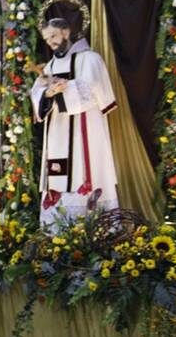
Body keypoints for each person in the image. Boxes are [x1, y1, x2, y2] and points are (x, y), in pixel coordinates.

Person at [30, 18, 119, 226]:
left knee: (84, 170)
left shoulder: (90, 59)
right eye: (46, 38)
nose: (50, 42)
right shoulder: (50, 65)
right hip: (57, 132)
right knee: (56, 174)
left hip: (84, 128)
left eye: (53, 36)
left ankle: (93, 228)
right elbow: (37, 93)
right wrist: (48, 92)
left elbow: (92, 89)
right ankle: (57, 230)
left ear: (66, 32)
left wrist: (64, 87)